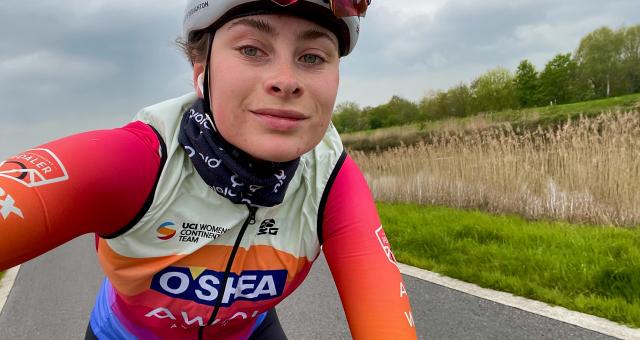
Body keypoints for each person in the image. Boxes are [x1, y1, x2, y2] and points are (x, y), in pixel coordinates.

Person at [0, 0, 417, 338]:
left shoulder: (330, 178)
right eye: (252, 49)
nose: (286, 81)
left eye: (312, 56)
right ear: (201, 71)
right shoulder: (141, 159)